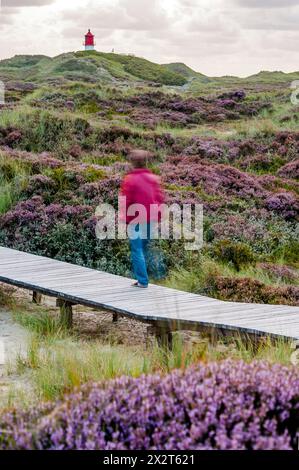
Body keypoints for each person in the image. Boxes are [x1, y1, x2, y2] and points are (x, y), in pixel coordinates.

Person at [120, 150, 165, 288]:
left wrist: (124, 218)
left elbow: (125, 201)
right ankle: (158, 272)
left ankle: (143, 281)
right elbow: (160, 199)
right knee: (145, 248)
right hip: (150, 219)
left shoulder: (130, 179)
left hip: (135, 220)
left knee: (137, 249)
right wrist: (158, 216)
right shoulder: (153, 178)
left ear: (133, 163)